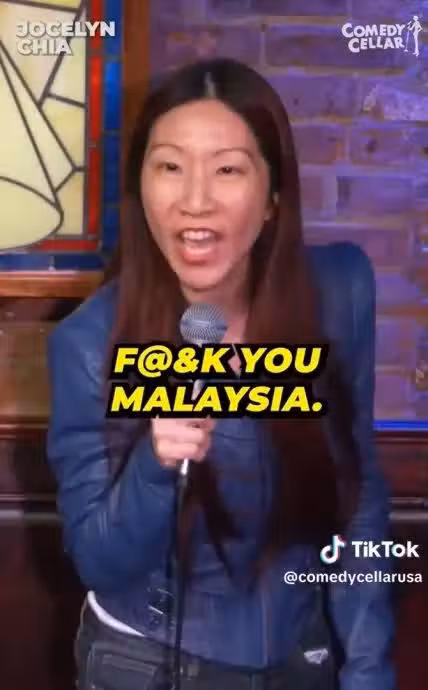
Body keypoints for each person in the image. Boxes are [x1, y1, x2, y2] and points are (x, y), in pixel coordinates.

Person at [46, 57, 395, 690]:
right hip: (148, 664)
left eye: (228, 169)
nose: (195, 200)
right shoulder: (90, 344)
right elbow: (98, 561)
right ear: (141, 191)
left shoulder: (339, 293)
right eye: (169, 167)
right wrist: (154, 465)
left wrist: (369, 669)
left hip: (302, 658)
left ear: (273, 198)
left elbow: (359, 494)